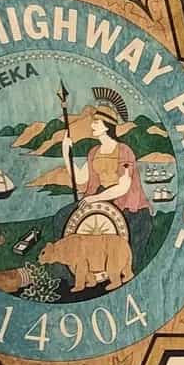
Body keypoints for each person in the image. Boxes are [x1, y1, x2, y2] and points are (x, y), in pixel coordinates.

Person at [57, 104, 154, 271]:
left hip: (125, 203)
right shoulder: (94, 151)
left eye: (96, 122)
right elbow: (80, 178)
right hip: (100, 196)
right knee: (61, 217)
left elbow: (123, 187)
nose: (92, 125)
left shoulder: (124, 151)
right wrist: (66, 153)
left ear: (106, 125)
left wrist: (93, 199)